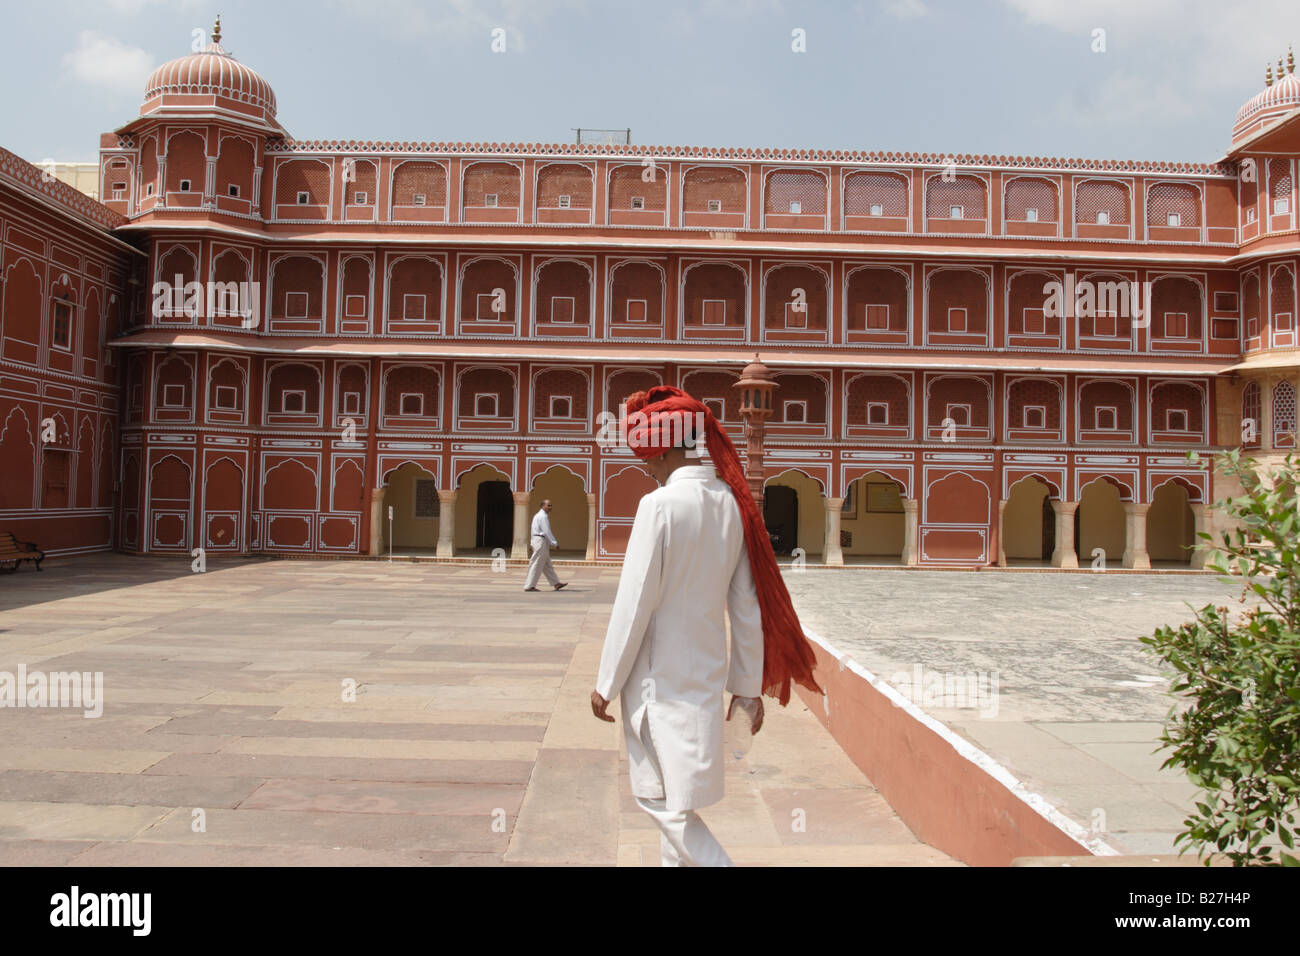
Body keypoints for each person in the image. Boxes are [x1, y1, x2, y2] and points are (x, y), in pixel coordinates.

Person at [590, 385, 821, 866]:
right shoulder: (732, 505)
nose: (647, 466)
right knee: (680, 797)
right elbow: (746, 606)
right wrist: (745, 687)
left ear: (672, 448)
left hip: (657, 680)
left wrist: (606, 682)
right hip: (704, 678)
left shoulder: (659, 506)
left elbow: (635, 602)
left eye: (650, 456)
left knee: (655, 795)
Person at [523, 499, 566, 592]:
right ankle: (529, 586)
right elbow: (546, 531)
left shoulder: (538, 515)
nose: (550, 507)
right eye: (548, 505)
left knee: (547, 564)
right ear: (542, 506)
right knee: (537, 564)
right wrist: (554, 543)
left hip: (539, 540)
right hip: (540, 540)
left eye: (551, 505)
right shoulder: (542, 516)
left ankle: (556, 583)